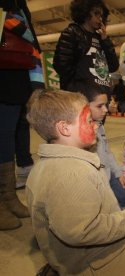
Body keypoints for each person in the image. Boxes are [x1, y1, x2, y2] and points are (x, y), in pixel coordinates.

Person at [25, 89, 125, 275]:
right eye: (88, 121)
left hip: (86, 254)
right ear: (64, 128)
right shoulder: (71, 175)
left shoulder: (46, 166)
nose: (96, 126)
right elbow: (82, 230)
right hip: (95, 263)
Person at [0, 0, 44, 230]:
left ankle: (9, 198)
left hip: (17, 74)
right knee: (3, 134)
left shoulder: (19, 7)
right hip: (4, 73)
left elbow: (33, 45)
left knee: (11, 132)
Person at [78, 81, 125, 208]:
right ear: (84, 107)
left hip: (107, 173)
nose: (106, 110)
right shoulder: (79, 134)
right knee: (105, 205)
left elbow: (107, 152)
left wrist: (118, 173)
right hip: (95, 180)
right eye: (100, 106)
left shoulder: (99, 125)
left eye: (106, 105)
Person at [53, 0, 118, 95]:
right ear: (85, 11)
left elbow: (113, 66)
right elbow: (61, 65)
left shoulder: (102, 39)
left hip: (101, 95)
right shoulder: (72, 32)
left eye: (101, 16)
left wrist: (105, 41)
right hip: (80, 97)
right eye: (96, 13)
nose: (100, 19)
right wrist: (80, 84)